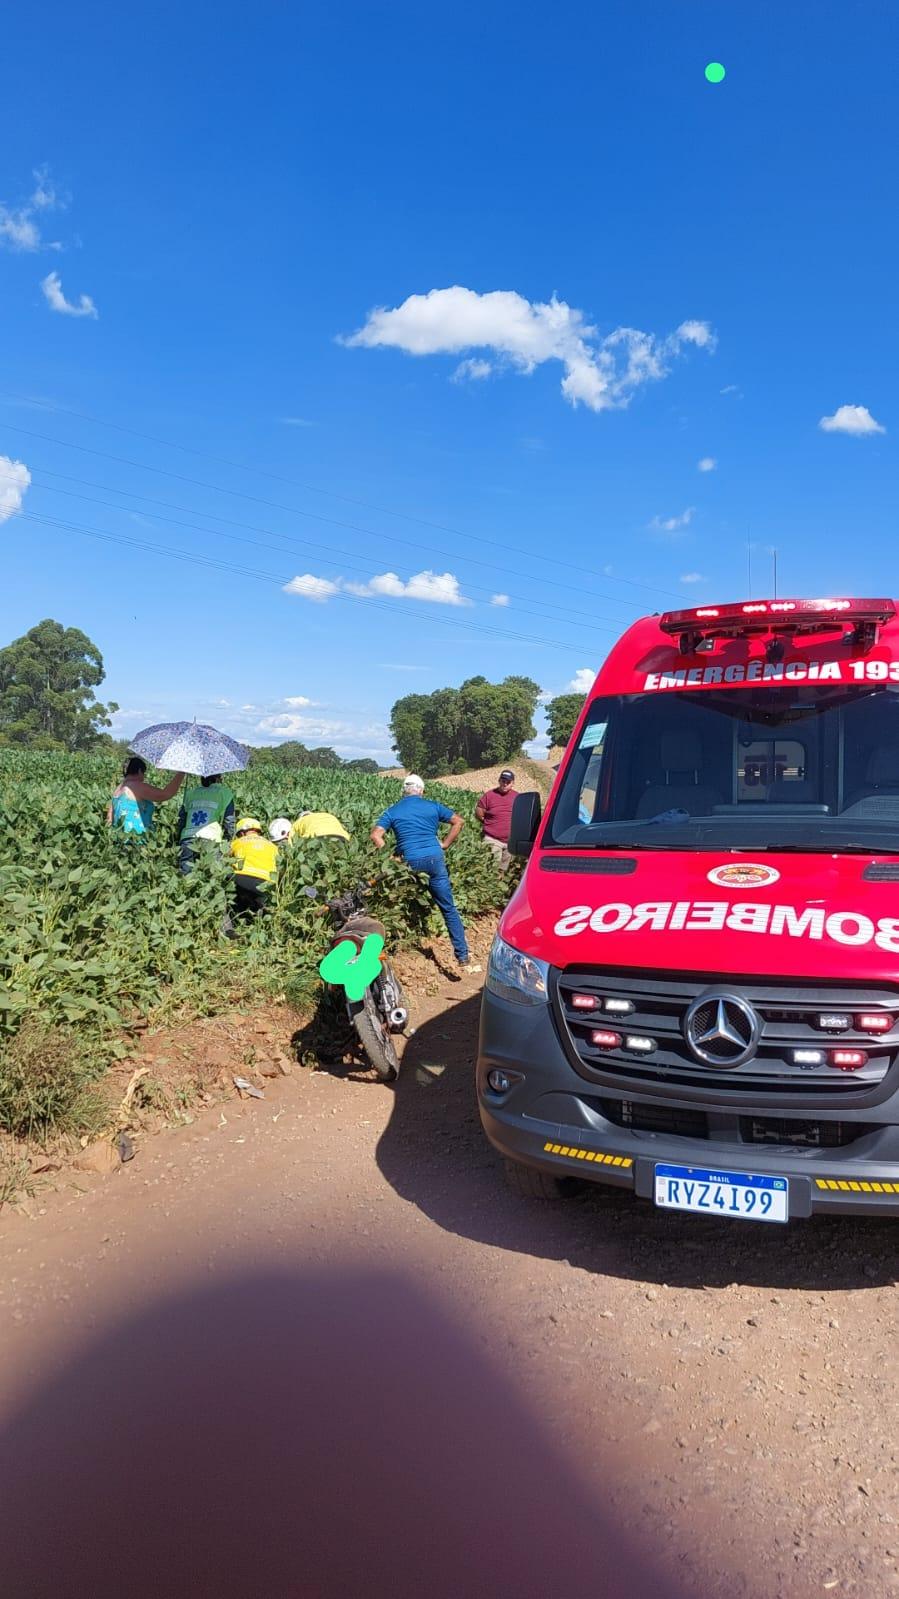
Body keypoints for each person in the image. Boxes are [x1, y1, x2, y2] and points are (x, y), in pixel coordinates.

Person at [370, 775, 471, 967]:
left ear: (403, 791)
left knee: (397, 900)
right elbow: (459, 821)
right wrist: (445, 844)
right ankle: (462, 955)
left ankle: (398, 943)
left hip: (409, 862)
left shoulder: (393, 810)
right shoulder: (432, 806)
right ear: (422, 791)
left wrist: (390, 856)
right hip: (435, 859)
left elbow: (375, 835)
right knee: (448, 908)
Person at [107, 757, 184, 839]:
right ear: (140, 770)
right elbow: (165, 794)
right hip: (137, 838)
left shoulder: (118, 789)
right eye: (144, 773)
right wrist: (181, 773)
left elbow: (109, 818)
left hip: (120, 837)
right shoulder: (135, 786)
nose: (144, 777)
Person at [177, 774, 237, 874]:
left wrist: (179, 837)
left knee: (186, 876)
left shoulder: (190, 793)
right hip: (211, 838)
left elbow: (182, 819)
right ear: (218, 778)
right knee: (212, 876)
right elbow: (229, 822)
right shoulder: (224, 793)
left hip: (188, 837)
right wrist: (228, 842)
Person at [229, 817, 279, 918]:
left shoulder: (238, 842)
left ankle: (228, 927)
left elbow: (230, 861)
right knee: (261, 906)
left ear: (242, 833)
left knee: (227, 888)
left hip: (243, 878)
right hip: (267, 883)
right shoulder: (272, 845)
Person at [475, 768, 518, 872]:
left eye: (508, 782)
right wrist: (489, 824)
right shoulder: (489, 795)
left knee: (503, 870)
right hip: (492, 838)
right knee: (491, 868)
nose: (505, 784)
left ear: (512, 783)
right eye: (503, 781)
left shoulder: (517, 797)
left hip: (510, 842)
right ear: (499, 781)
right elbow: (479, 812)